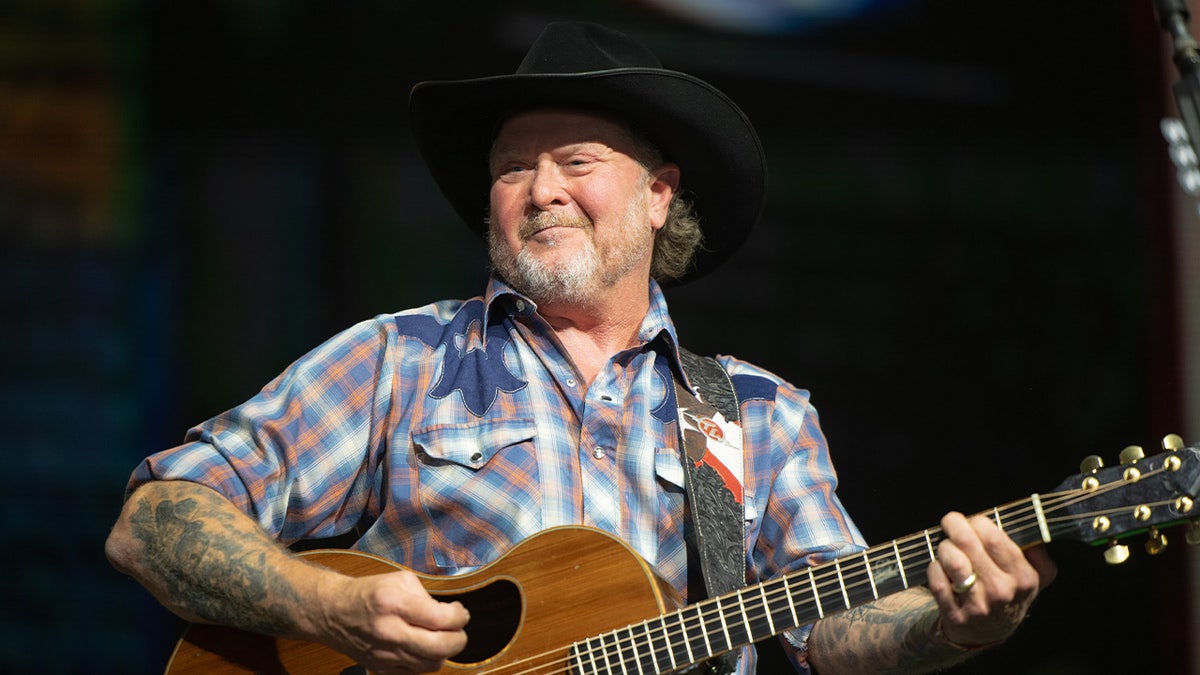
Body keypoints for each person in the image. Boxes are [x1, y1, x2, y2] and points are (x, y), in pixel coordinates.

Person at [105, 21, 1055, 674]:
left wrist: (956, 623)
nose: (540, 187)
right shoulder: (404, 359)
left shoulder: (755, 414)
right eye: (513, 166)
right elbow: (153, 519)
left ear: (658, 196)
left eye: (576, 161)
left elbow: (832, 629)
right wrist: (325, 607)